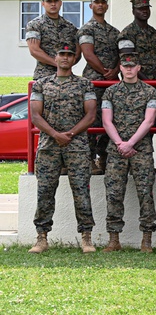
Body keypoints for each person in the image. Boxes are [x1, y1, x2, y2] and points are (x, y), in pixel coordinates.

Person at [27, 44, 97, 254]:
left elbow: (91, 114)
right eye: (62, 54)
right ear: (55, 58)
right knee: (45, 191)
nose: (65, 58)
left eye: (69, 55)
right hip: (49, 146)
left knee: (81, 191)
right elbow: (36, 115)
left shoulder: (85, 84)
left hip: (77, 147)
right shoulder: (41, 84)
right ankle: (41, 237)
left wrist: (71, 134)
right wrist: (56, 134)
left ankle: (86, 238)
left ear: (74, 59)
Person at [101, 52, 156, 253]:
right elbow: (107, 120)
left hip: (141, 149)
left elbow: (149, 121)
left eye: (132, 66)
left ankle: (147, 239)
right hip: (116, 150)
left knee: (145, 193)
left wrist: (131, 143)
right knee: (114, 193)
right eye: (125, 66)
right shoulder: (110, 92)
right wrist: (119, 143)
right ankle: (114, 239)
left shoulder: (150, 92)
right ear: (121, 68)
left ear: (138, 67)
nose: (129, 69)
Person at [77, 0, 120, 174]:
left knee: (110, 120)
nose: (100, 5)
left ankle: (104, 157)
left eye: (103, 2)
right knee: (92, 120)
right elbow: (88, 53)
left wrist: (115, 71)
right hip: (94, 82)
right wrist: (104, 72)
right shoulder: (86, 29)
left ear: (107, 5)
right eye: (97, 2)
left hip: (112, 82)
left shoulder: (114, 32)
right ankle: (89, 159)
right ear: (91, 5)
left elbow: (121, 56)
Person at [26, 0, 79, 80]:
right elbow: (34, 50)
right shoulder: (35, 25)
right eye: (49, 1)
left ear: (61, 3)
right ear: (43, 4)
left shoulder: (70, 27)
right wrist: (58, 64)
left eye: (56, 1)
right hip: (44, 77)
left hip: (67, 77)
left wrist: (67, 65)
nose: (53, 4)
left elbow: (77, 51)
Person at [118, 0, 156, 81]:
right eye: (140, 9)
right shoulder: (127, 34)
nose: (144, 11)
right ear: (133, 11)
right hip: (135, 84)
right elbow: (128, 61)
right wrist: (148, 83)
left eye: (146, 8)